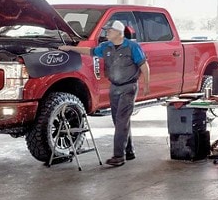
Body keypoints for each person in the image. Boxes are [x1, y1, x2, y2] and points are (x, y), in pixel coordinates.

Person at [60, 20, 150, 167]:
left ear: (118, 33)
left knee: (121, 120)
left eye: (109, 31)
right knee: (119, 121)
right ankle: (129, 151)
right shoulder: (105, 47)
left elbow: (144, 66)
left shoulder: (133, 47)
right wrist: (69, 48)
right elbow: (89, 51)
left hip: (129, 87)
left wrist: (146, 85)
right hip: (114, 87)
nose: (106, 33)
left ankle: (118, 156)